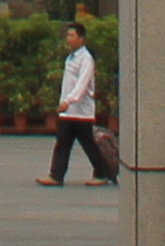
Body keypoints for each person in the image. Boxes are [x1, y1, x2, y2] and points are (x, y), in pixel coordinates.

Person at [47, 22, 118, 184]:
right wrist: (64, 103)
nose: (68, 39)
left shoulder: (86, 59)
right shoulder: (71, 58)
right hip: (69, 111)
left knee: (88, 144)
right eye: (68, 35)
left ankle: (102, 173)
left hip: (80, 111)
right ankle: (56, 175)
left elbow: (82, 84)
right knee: (63, 143)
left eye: (72, 36)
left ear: (82, 39)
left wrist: (69, 101)